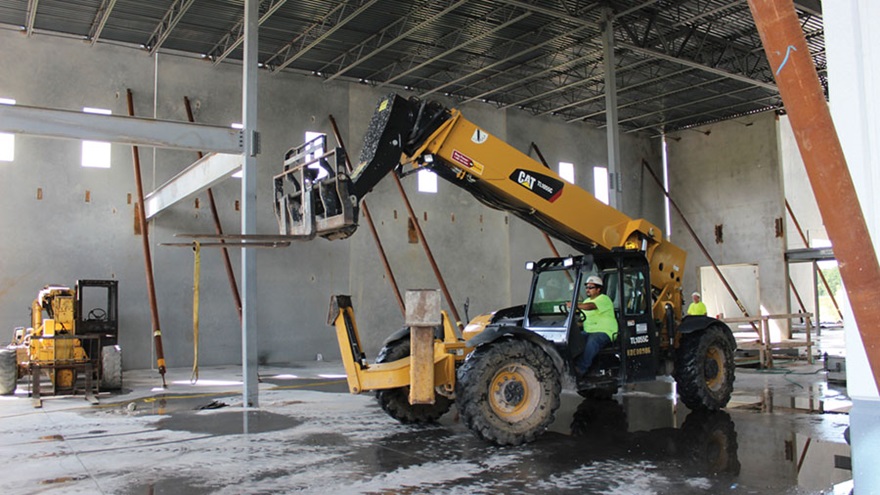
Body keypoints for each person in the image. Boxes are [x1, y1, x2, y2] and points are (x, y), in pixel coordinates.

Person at [571, 275, 618, 377]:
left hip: (605, 332)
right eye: (587, 287)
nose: (588, 290)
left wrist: (574, 305)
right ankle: (570, 364)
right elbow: (584, 317)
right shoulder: (586, 301)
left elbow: (590, 307)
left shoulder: (604, 299)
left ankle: (581, 368)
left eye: (591, 287)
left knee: (593, 340)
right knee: (575, 338)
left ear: (598, 289)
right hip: (589, 331)